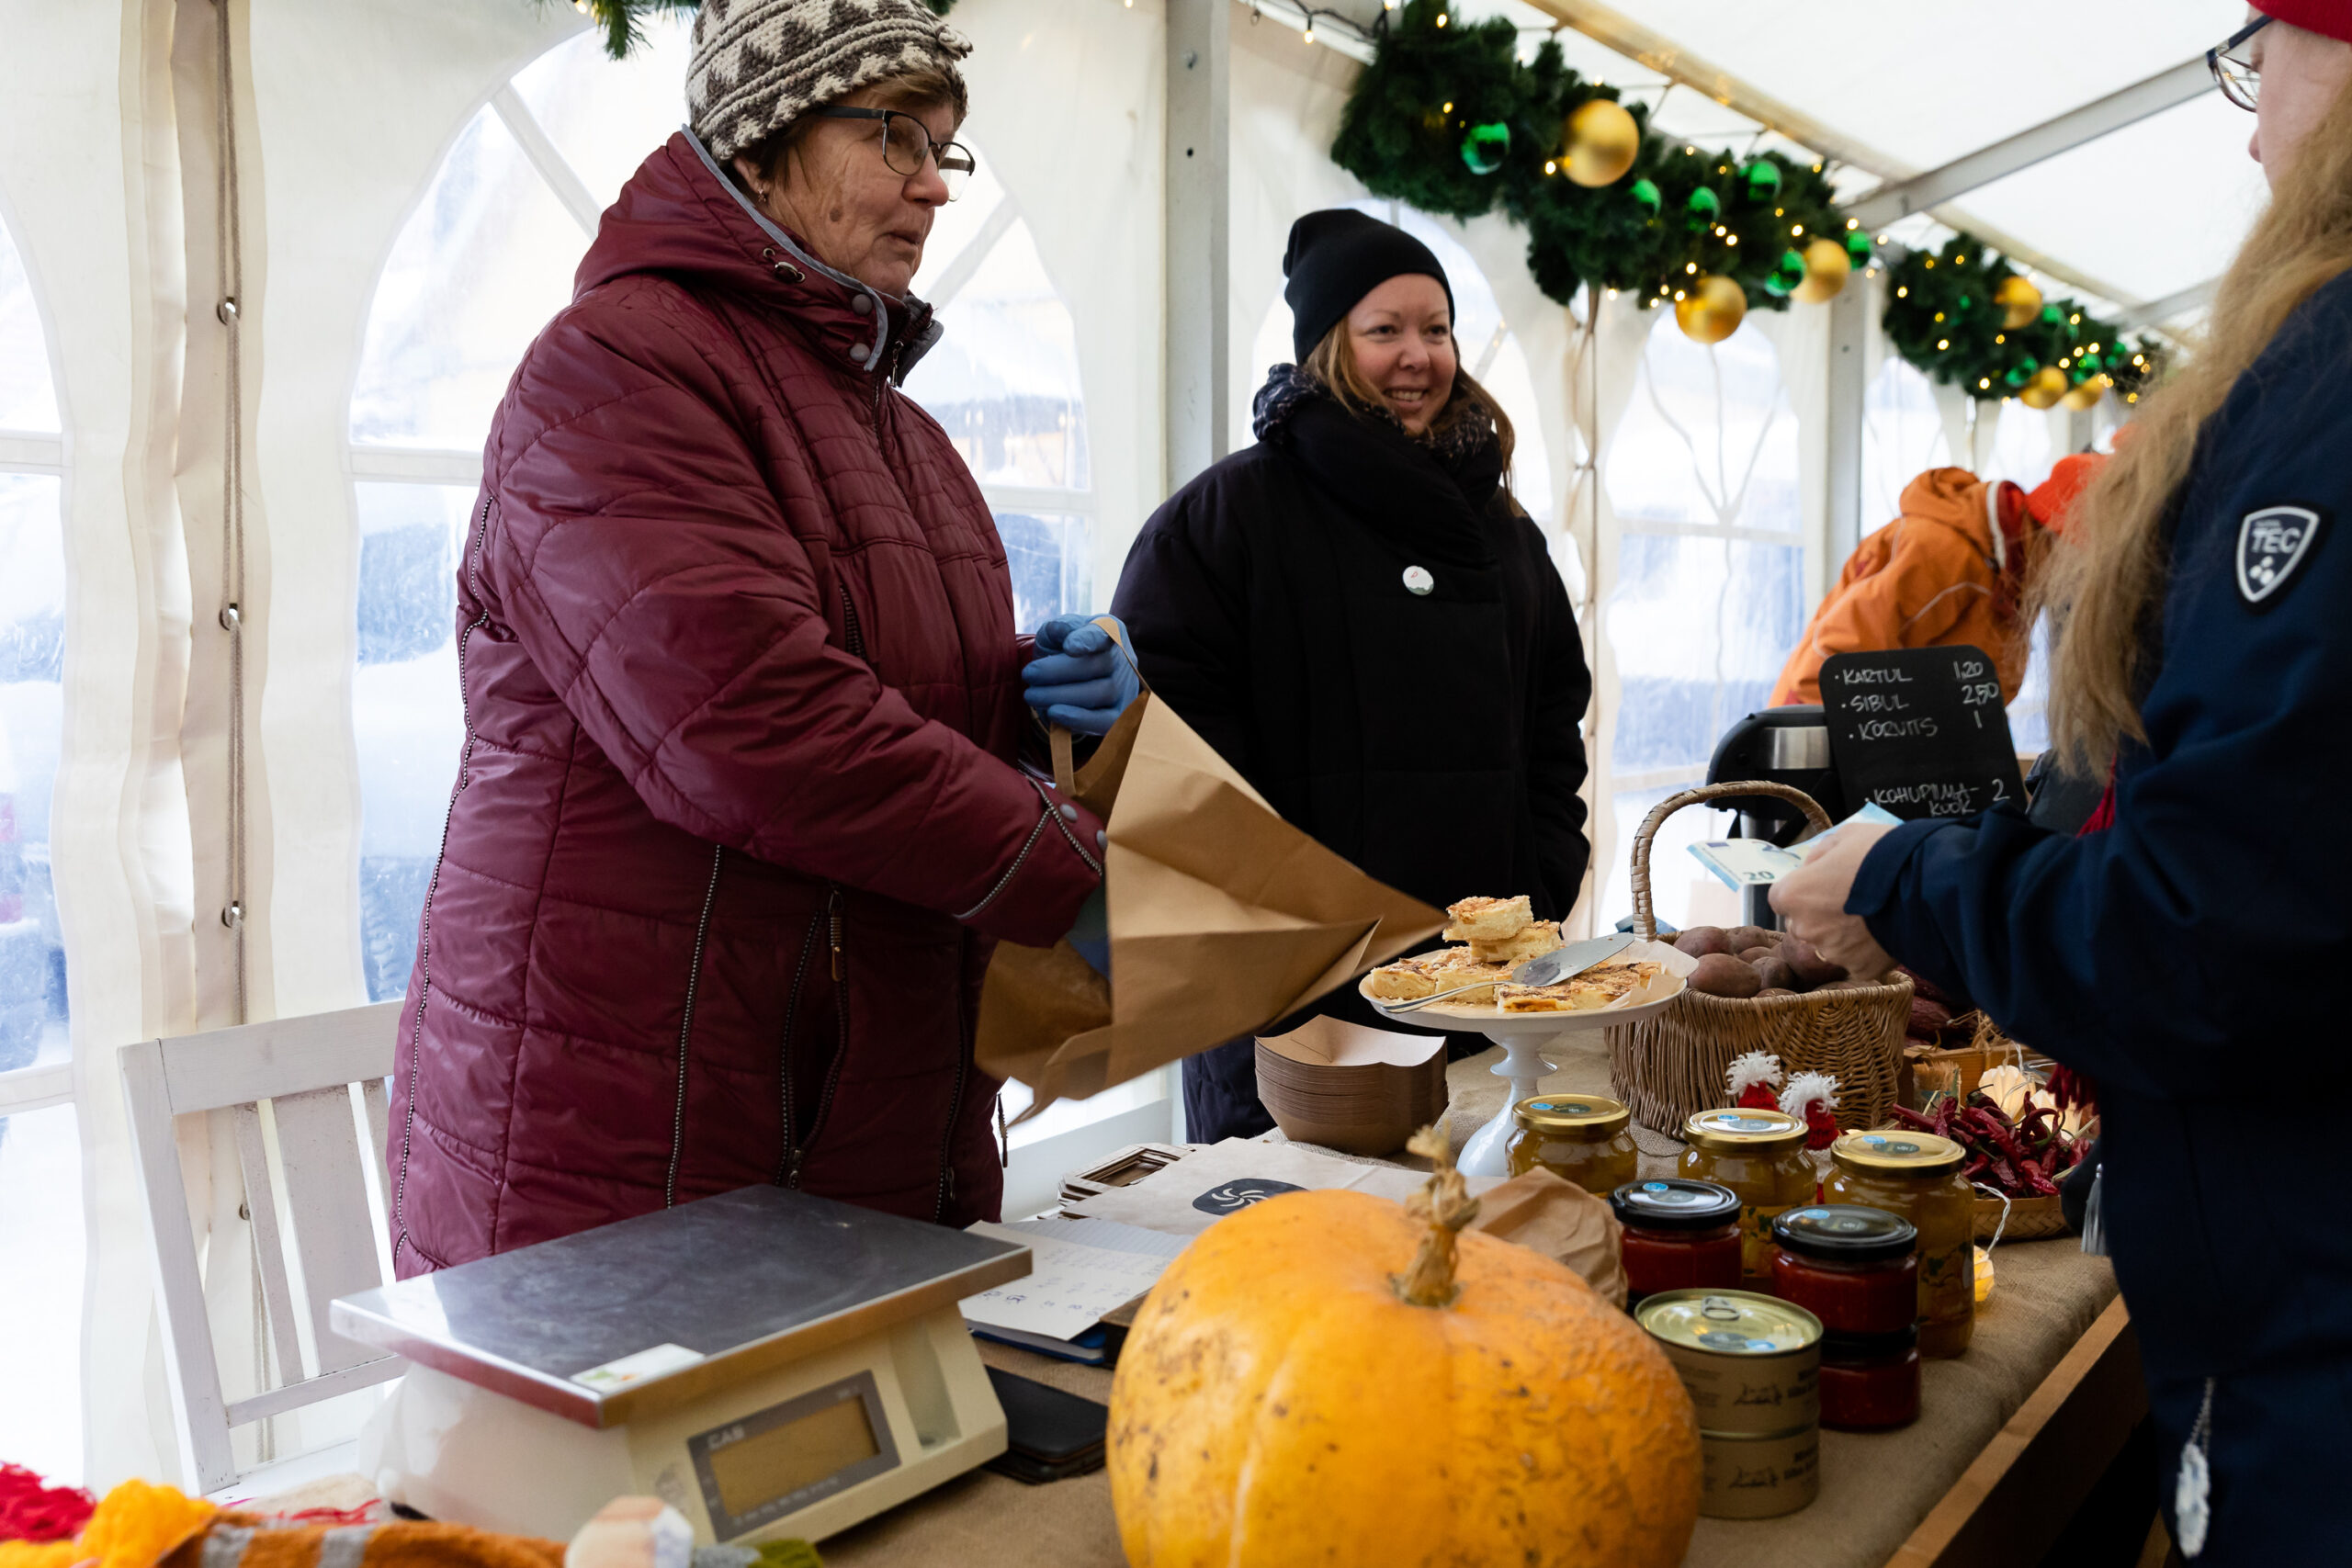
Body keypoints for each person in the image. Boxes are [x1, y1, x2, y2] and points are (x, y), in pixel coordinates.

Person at [387, 0, 1135, 1276]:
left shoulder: (901, 432)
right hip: (640, 1145)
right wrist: (1069, 866)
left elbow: (869, 681)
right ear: (763, 137)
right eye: (894, 131)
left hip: (844, 1128)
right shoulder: (616, 371)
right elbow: (745, 720)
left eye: (945, 146)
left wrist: (1034, 700)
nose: (932, 184)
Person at [1772, 5, 2352, 1556]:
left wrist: (1912, 888)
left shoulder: (2328, 384)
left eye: (2261, 61)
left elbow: (2211, 909)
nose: (2248, 129)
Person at [1112, 210, 1592, 1141]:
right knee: (1298, 1251)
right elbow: (1163, 745)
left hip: (1478, 984)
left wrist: (1541, 873)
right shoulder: (1228, 517)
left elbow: (1552, 718)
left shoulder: (1503, 531)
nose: (1418, 355)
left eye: (1436, 329)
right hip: (1290, 996)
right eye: (1385, 331)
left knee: (1469, 1232)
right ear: (1329, 346)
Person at [1768, 454, 2102, 707]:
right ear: (2062, 537)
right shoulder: (1947, 552)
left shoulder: (2015, 578)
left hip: (1902, 773)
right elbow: (1831, 665)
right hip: (1822, 759)